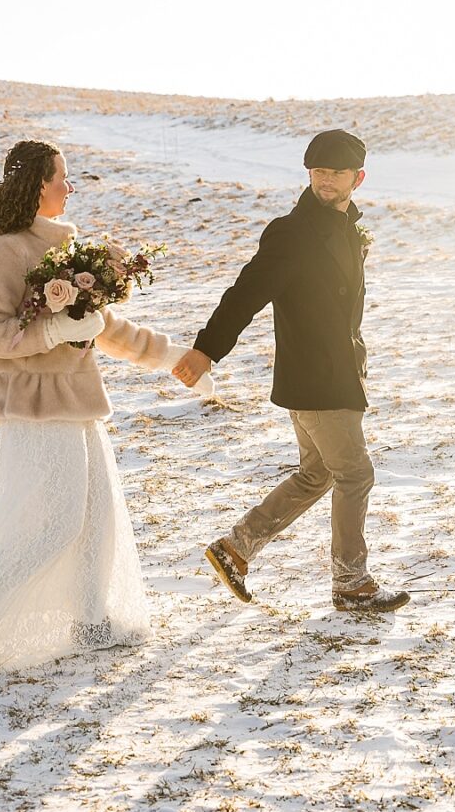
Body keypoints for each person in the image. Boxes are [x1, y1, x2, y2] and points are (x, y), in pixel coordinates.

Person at [0, 139, 206, 678]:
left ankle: (91, 622)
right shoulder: (5, 249)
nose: (70, 187)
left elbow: (105, 327)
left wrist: (172, 356)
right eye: (62, 177)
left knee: (96, 518)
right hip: (33, 409)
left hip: (77, 402)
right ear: (35, 185)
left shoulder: (68, 249)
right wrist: (52, 329)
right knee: (57, 523)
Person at [171, 129, 410, 614]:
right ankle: (351, 582)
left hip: (337, 372)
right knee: (355, 475)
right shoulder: (292, 232)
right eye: (318, 171)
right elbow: (246, 293)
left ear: (357, 178)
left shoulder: (348, 228)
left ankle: (236, 548)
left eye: (336, 173)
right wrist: (207, 350)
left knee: (316, 474)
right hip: (316, 377)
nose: (325, 180)